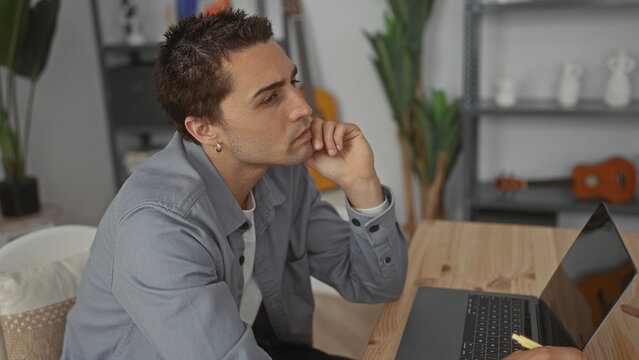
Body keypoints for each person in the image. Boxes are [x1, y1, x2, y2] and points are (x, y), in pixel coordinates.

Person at [61, 9, 590, 360]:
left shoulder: (280, 177)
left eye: (292, 82)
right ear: (203, 129)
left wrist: (362, 183)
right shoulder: (157, 229)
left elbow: (374, 284)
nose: (302, 108)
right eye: (269, 98)